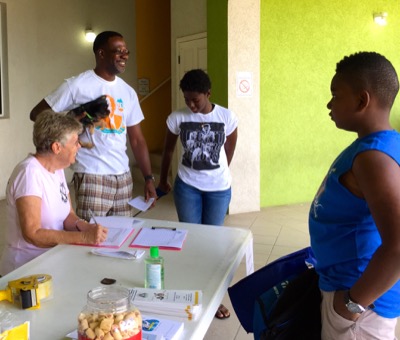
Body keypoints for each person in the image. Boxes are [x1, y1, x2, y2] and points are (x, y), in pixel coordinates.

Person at [309, 51, 400, 339]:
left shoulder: (374, 157)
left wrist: (351, 303)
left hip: (359, 311)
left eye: (335, 94)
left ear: (362, 100)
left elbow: (399, 246)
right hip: (348, 288)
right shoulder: (372, 146)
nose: (329, 104)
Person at [29, 31, 156, 221]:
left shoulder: (128, 92)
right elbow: (36, 114)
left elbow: (137, 140)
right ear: (101, 53)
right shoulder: (77, 85)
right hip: (91, 174)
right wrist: (73, 118)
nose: (124, 55)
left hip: (123, 176)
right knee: (91, 238)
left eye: (126, 51)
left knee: (119, 237)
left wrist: (148, 178)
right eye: (118, 51)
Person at [157, 69, 238, 319]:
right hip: (187, 187)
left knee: (212, 245)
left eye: (197, 100)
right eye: (187, 99)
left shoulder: (226, 116)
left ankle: (213, 299)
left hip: (218, 189)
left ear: (208, 94)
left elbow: (229, 148)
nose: (191, 105)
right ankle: (190, 294)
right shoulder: (176, 118)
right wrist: (162, 180)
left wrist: (217, 173)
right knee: (191, 242)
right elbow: (168, 152)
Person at [0, 110, 108, 275]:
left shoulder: (57, 169)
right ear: (57, 147)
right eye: (74, 142)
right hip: (24, 270)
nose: (79, 146)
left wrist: (84, 226)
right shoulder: (29, 173)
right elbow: (32, 233)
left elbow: (67, 215)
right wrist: (84, 238)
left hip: (52, 260)